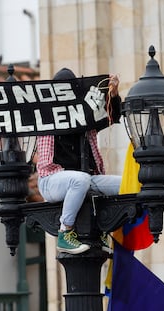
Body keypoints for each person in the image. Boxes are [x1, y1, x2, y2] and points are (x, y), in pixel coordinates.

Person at [36, 68, 122, 255]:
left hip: (85, 179)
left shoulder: (84, 116)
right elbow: (9, 114)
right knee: (80, 180)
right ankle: (65, 232)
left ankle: (103, 230)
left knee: (126, 184)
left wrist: (113, 94)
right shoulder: (45, 116)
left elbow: (111, 115)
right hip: (51, 180)